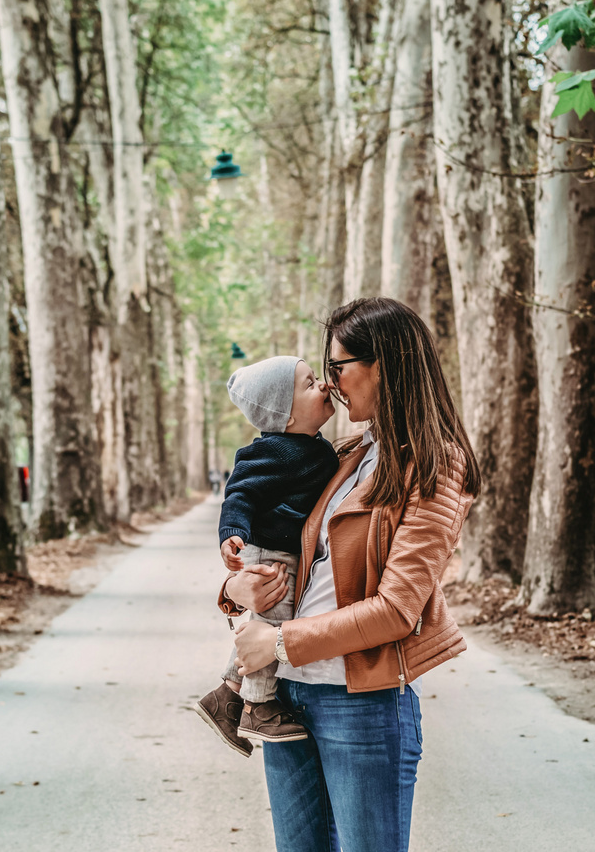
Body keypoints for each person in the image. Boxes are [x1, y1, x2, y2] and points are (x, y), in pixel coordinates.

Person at [219, 297, 481, 852]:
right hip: (288, 699)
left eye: (337, 367)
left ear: (382, 364)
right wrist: (233, 587)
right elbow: (288, 551)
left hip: (360, 704)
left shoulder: (435, 464)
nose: (331, 384)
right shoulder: (345, 455)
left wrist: (280, 642)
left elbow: (396, 609)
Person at [195, 355, 339, 758]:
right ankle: (258, 706)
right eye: (310, 384)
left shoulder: (315, 446)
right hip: (270, 550)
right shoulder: (273, 450)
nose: (324, 385)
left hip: (285, 550)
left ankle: (226, 696)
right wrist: (232, 535)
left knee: (266, 618)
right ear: (286, 416)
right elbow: (239, 493)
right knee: (274, 617)